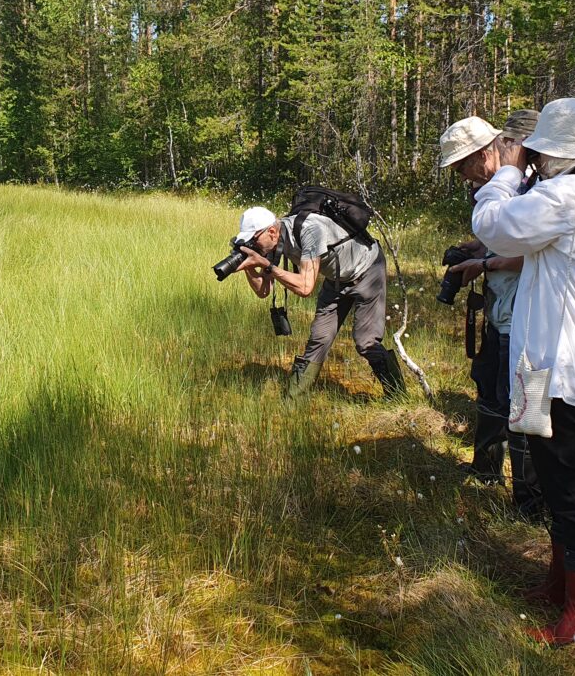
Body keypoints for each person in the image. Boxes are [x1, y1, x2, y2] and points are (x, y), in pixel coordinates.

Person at [472, 98, 575, 645]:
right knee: (562, 477)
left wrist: (507, 173)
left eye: (540, 153)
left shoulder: (565, 196)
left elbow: (492, 227)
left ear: (557, 153)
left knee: (573, 488)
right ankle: (565, 587)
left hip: (560, 365)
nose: (536, 161)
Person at [437, 111, 545, 522]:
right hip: (501, 311)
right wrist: (476, 250)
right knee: (491, 387)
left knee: (523, 403)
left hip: (528, 317)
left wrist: (484, 265)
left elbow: (534, 253)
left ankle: (530, 503)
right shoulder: (497, 188)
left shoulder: (531, 186)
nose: (463, 175)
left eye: (463, 165)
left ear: (485, 153)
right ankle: (485, 472)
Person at [230, 205, 407, 399]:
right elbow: (263, 291)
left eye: (253, 240)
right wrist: (248, 266)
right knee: (319, 338)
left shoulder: (310, 230)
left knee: (366, 341)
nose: (253, 246)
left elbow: (305, 288)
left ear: (271, 232)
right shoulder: (271, 243)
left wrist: (267, 265)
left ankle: (397, 395)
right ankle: (292, 400)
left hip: (367, 271)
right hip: (337, 279)